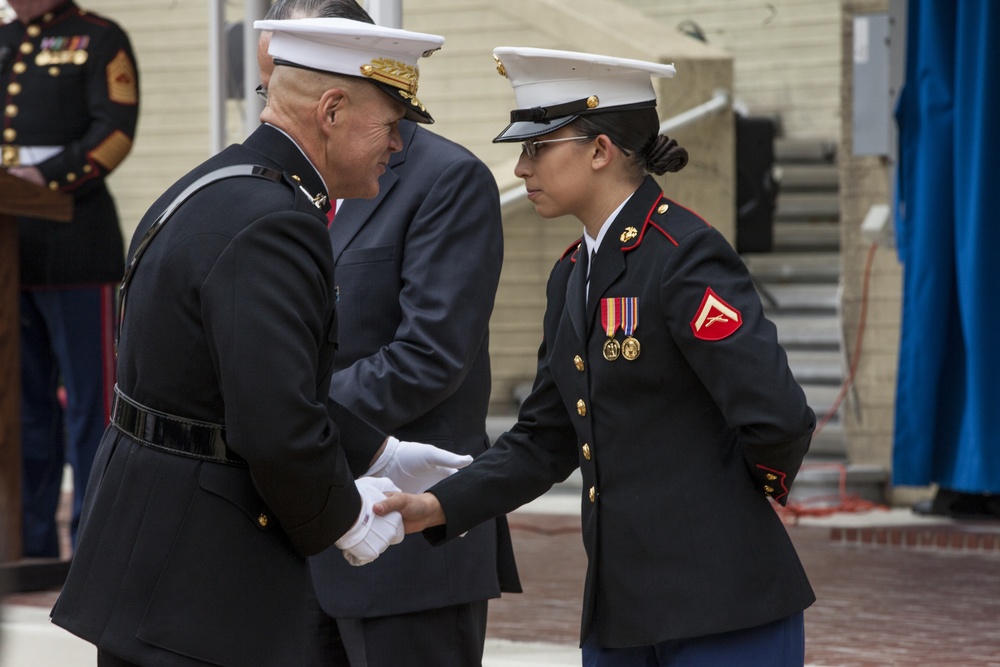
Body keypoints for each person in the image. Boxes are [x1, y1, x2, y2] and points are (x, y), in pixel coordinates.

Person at [378, 47, 818, 666]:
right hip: (622, 611)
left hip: (723, 604)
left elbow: (779, 417)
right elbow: (542, 439)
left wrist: (719, 504)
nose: (522, 167)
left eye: (537, 148)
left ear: (600, 150)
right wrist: (440, 504)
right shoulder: (572, 274)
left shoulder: (683, 255)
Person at [50, 18, 470, 666]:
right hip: (199, 585)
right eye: (391, 124)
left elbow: (225, 381)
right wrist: (346, 518)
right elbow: (272, 421)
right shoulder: (275, 223)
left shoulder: (217, 186)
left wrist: (378, 452)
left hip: (158, 562)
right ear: (332, 111)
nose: (398, 144)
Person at [254, 3, 521, 665]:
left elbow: (431, 354)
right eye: (268, 88)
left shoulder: (444, 180)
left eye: (294, 84)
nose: (276, 108)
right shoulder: (269, 184)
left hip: (407, 541)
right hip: (296, 539)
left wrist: (294, 420)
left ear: (337, 91)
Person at [0, 0, 138, 558]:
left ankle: (93, 547)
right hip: (12, 257)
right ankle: (28, 545)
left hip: (76, 247)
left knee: (90, 407)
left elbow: (115, 132)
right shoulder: (5, 41)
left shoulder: (98, 37)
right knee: (23, 408)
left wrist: (48, 176)